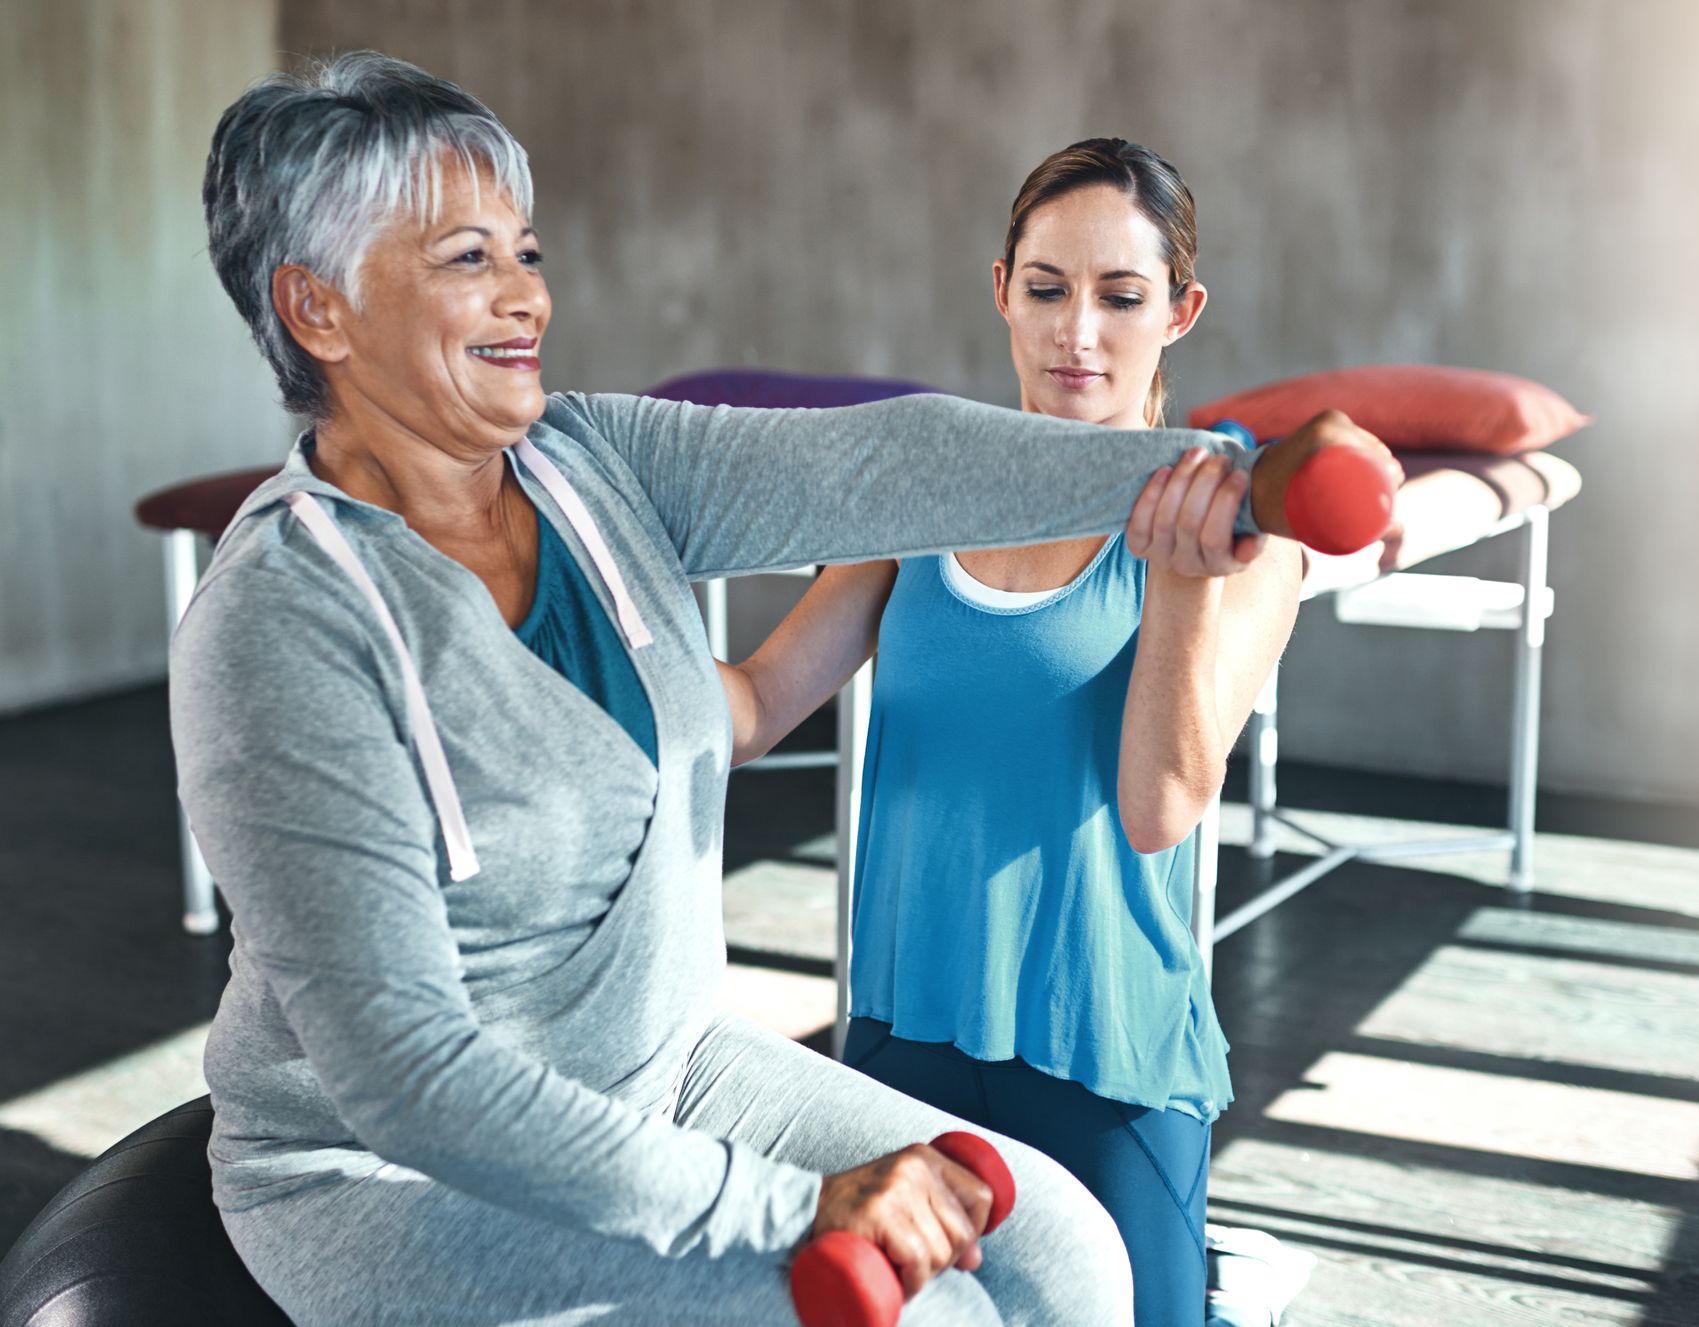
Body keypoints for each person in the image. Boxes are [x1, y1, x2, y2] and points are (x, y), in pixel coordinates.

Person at [176, 54, 1386, 1327]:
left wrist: (1232, 475)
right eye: (465, 260)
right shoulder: (280, 623)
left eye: (525, 253)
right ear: (318, 309)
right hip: (395, 1175)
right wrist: (792, 1211)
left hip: (666, 1068)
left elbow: (882, 462)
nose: (526, 296)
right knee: (944, 1315)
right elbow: (410, 1079)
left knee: (1064, 1252)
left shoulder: (586, 462)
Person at [719, 140, 1387, 1325]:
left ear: (1179, 312)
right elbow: (761, 704)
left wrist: (1179, 589)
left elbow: (1158, 806)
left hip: (1106, 1053)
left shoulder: (1246, 527)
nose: (1078, 332)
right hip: (898, 1035)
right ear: (1001, 289)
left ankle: (1227, 1286)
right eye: (1047, 288)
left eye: (1121, 297)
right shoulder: (931, 479)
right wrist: (561, 662)